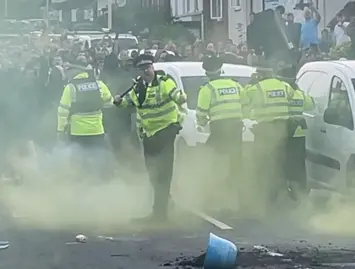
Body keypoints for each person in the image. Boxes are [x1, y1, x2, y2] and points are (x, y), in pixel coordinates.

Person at [113, 54, 186, 222]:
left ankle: (160, 214)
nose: (146, 71)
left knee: (164, 174)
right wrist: (118, 102)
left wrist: (181, 98)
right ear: (138, 71)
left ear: (153, 68)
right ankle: (165, 203)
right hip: (149, 136)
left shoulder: (164, 82)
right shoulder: (138, 88)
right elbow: (128, 102)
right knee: (153, 174)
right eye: (143, 69)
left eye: (149, 67)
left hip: (166, 132)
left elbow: (176, 95)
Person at [245, 60, 295, 209]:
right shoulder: (284, 86)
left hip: (264, 130)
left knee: (262, 163)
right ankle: (280, 193)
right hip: (282, 130)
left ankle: (264, 194)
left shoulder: (256, 88)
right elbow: (292, 96)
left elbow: (244, 98)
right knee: (280, 162)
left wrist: (250, 82)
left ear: (260, 74)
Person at [196, 55, 245, 205]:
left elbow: (201, 114)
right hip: (236, 128)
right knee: (235, 162)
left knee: (210, 159)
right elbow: (245, 102)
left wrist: (202, 122)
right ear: (221, 70)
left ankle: (211, 194)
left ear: (207, 73)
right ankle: (239, 195)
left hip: (219, 129)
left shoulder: (207, 89)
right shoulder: (235, 85)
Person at [57, 57, 114, 178]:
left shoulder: (70, 87)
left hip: (77, 132)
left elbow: (62, 111)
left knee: (80, 163)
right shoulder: (99, 84)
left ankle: (83, 184)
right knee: (98, 160)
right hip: (97, 130)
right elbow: (110, 103)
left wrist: (60, 130)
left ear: (76, 71)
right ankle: (99, 184)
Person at [278, 65, 314, 200]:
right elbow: (310, 105)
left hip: (286, 130)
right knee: (298, 163)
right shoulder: (300, 94)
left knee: (283, 160)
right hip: (299, 133)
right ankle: (300, 190)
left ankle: (285, 188)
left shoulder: (284, 95)